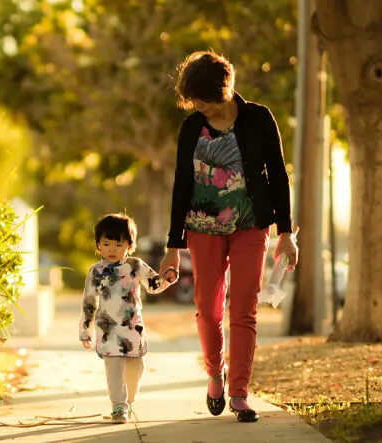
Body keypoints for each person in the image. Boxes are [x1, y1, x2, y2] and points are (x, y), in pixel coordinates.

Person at [159, 50, 299, 423]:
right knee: (208, 309)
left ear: (223, 92)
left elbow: (279, 177)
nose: (198, 108)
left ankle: (239, 392)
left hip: (251, 225)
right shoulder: (192, 128)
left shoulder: (259, 118)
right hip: (201, 228)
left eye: (203, 101)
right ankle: (213, 373)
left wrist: (285, 232)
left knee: (244, 309)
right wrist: (173, 246)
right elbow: (182, 185)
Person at [79, 213, 176, 424]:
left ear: (129, 245)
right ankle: (118, 406)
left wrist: (167, 279)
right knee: (113, 369)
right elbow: (88, 302)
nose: (112, 249)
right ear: (98, 245)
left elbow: (153, 285)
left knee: (136, 367)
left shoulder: (136, 266)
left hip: (133, 329)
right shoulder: (95, 271)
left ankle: (129, 401)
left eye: (118, 244)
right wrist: (85, 330)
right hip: (108, 330)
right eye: (106, 244)